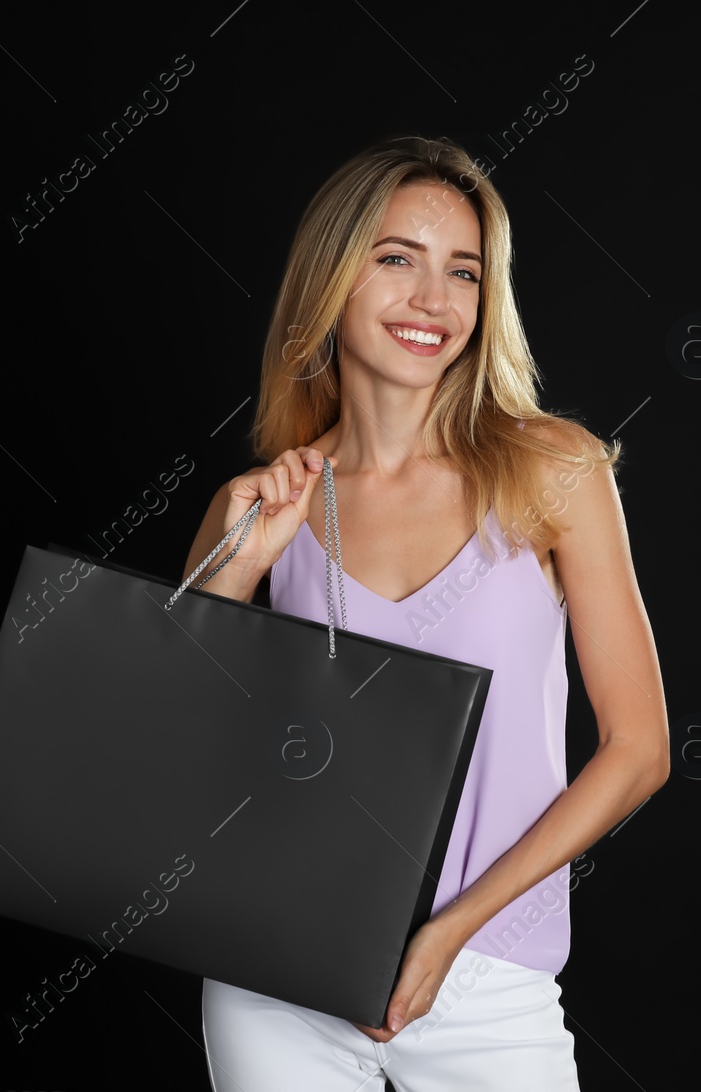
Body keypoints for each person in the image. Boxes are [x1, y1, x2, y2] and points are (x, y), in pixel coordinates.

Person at [182, 133, 668, 1091]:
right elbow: (175, 742)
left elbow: (640, 749)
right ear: (332, 280)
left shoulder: (553, 472)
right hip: (280, 966)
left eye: (464, 272)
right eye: (397, 259)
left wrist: (450, 931)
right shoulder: (265, 505)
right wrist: (242, 563)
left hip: (486, 967)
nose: (433, 302)